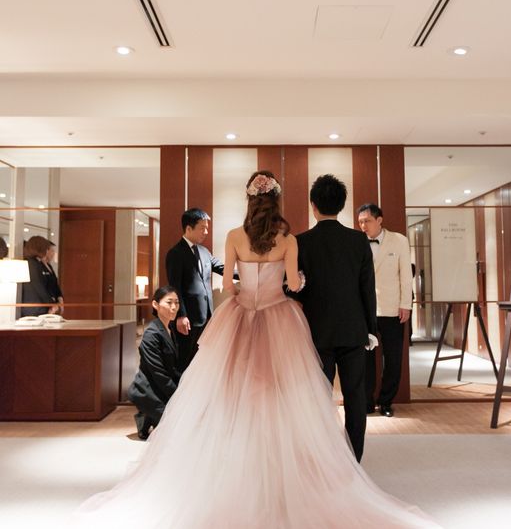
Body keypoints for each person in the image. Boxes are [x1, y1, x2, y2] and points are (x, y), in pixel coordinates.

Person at [70, 171, 438, 529]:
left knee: (238, 399)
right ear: (277, 200)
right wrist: (294, 283)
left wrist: (247, 288)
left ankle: (240, 469)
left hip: (240, 318)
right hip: (283, 320)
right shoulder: (289, 240)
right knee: (292, 401)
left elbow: (229, 286)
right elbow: (296, 284)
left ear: (250, 199)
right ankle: (314, 470)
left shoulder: (234, 236)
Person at [295, 175, 377, 463]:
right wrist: (370, 330)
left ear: (313, 205)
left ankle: (323, 459)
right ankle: (354, 460)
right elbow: (367, 289)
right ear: (341, 205)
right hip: (354, 331)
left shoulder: (301, 242)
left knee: (319, 398)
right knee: (355, 397)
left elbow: (294, 289)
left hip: (318, 332)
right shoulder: (358, 240)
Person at [358, 203, 413, 418]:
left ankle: (386, 402)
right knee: (365, 359)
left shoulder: (399, 241)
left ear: (379, 220)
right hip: (365, 310)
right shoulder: (356, 241)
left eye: (367, 221)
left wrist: (406, 304)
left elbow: (406, 276)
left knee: (393, 358)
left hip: (392, 308)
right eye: (360, 222)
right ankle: (366, 402)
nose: (363, 226)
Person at [165, 208, 226, 372]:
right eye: (202, 228)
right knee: (184, 362)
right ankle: (179, 389)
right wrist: (181, 315)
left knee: (202, 362)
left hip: (206, 317)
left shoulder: (205, 252)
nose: (206, 232)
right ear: (188, 228)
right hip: (187, 320)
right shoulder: (175, 253)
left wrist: (248, 273)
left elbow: (222, 269)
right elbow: (175, 287)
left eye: (207, 228)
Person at [127, 286, 181, 440]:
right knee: (177, 427)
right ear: (155, 305)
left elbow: (172, 367)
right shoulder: (152, 334)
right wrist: (177, 394)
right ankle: (146, 415)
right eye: (169, 302)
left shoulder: (169, 329)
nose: (174, 307)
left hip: (160, 387)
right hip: (148, 390)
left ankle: (148, 417)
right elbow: (158, 373)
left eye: (177, 303)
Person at [20, 235, 59, 317]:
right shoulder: (32, 264)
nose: (47, 251)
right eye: (46, 248)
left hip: (36, 306)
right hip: (34, 308)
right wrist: (51, 304)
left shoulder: (36, 263)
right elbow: (39, 286)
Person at [43, 240, 64, 315]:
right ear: (46, 251)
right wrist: (51, 303)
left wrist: (60, 298)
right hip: (47, 304)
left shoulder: (49, 266)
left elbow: (55, 284)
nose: (53, 253)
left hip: (55, 302)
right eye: (52, 251)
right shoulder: (39, 266)